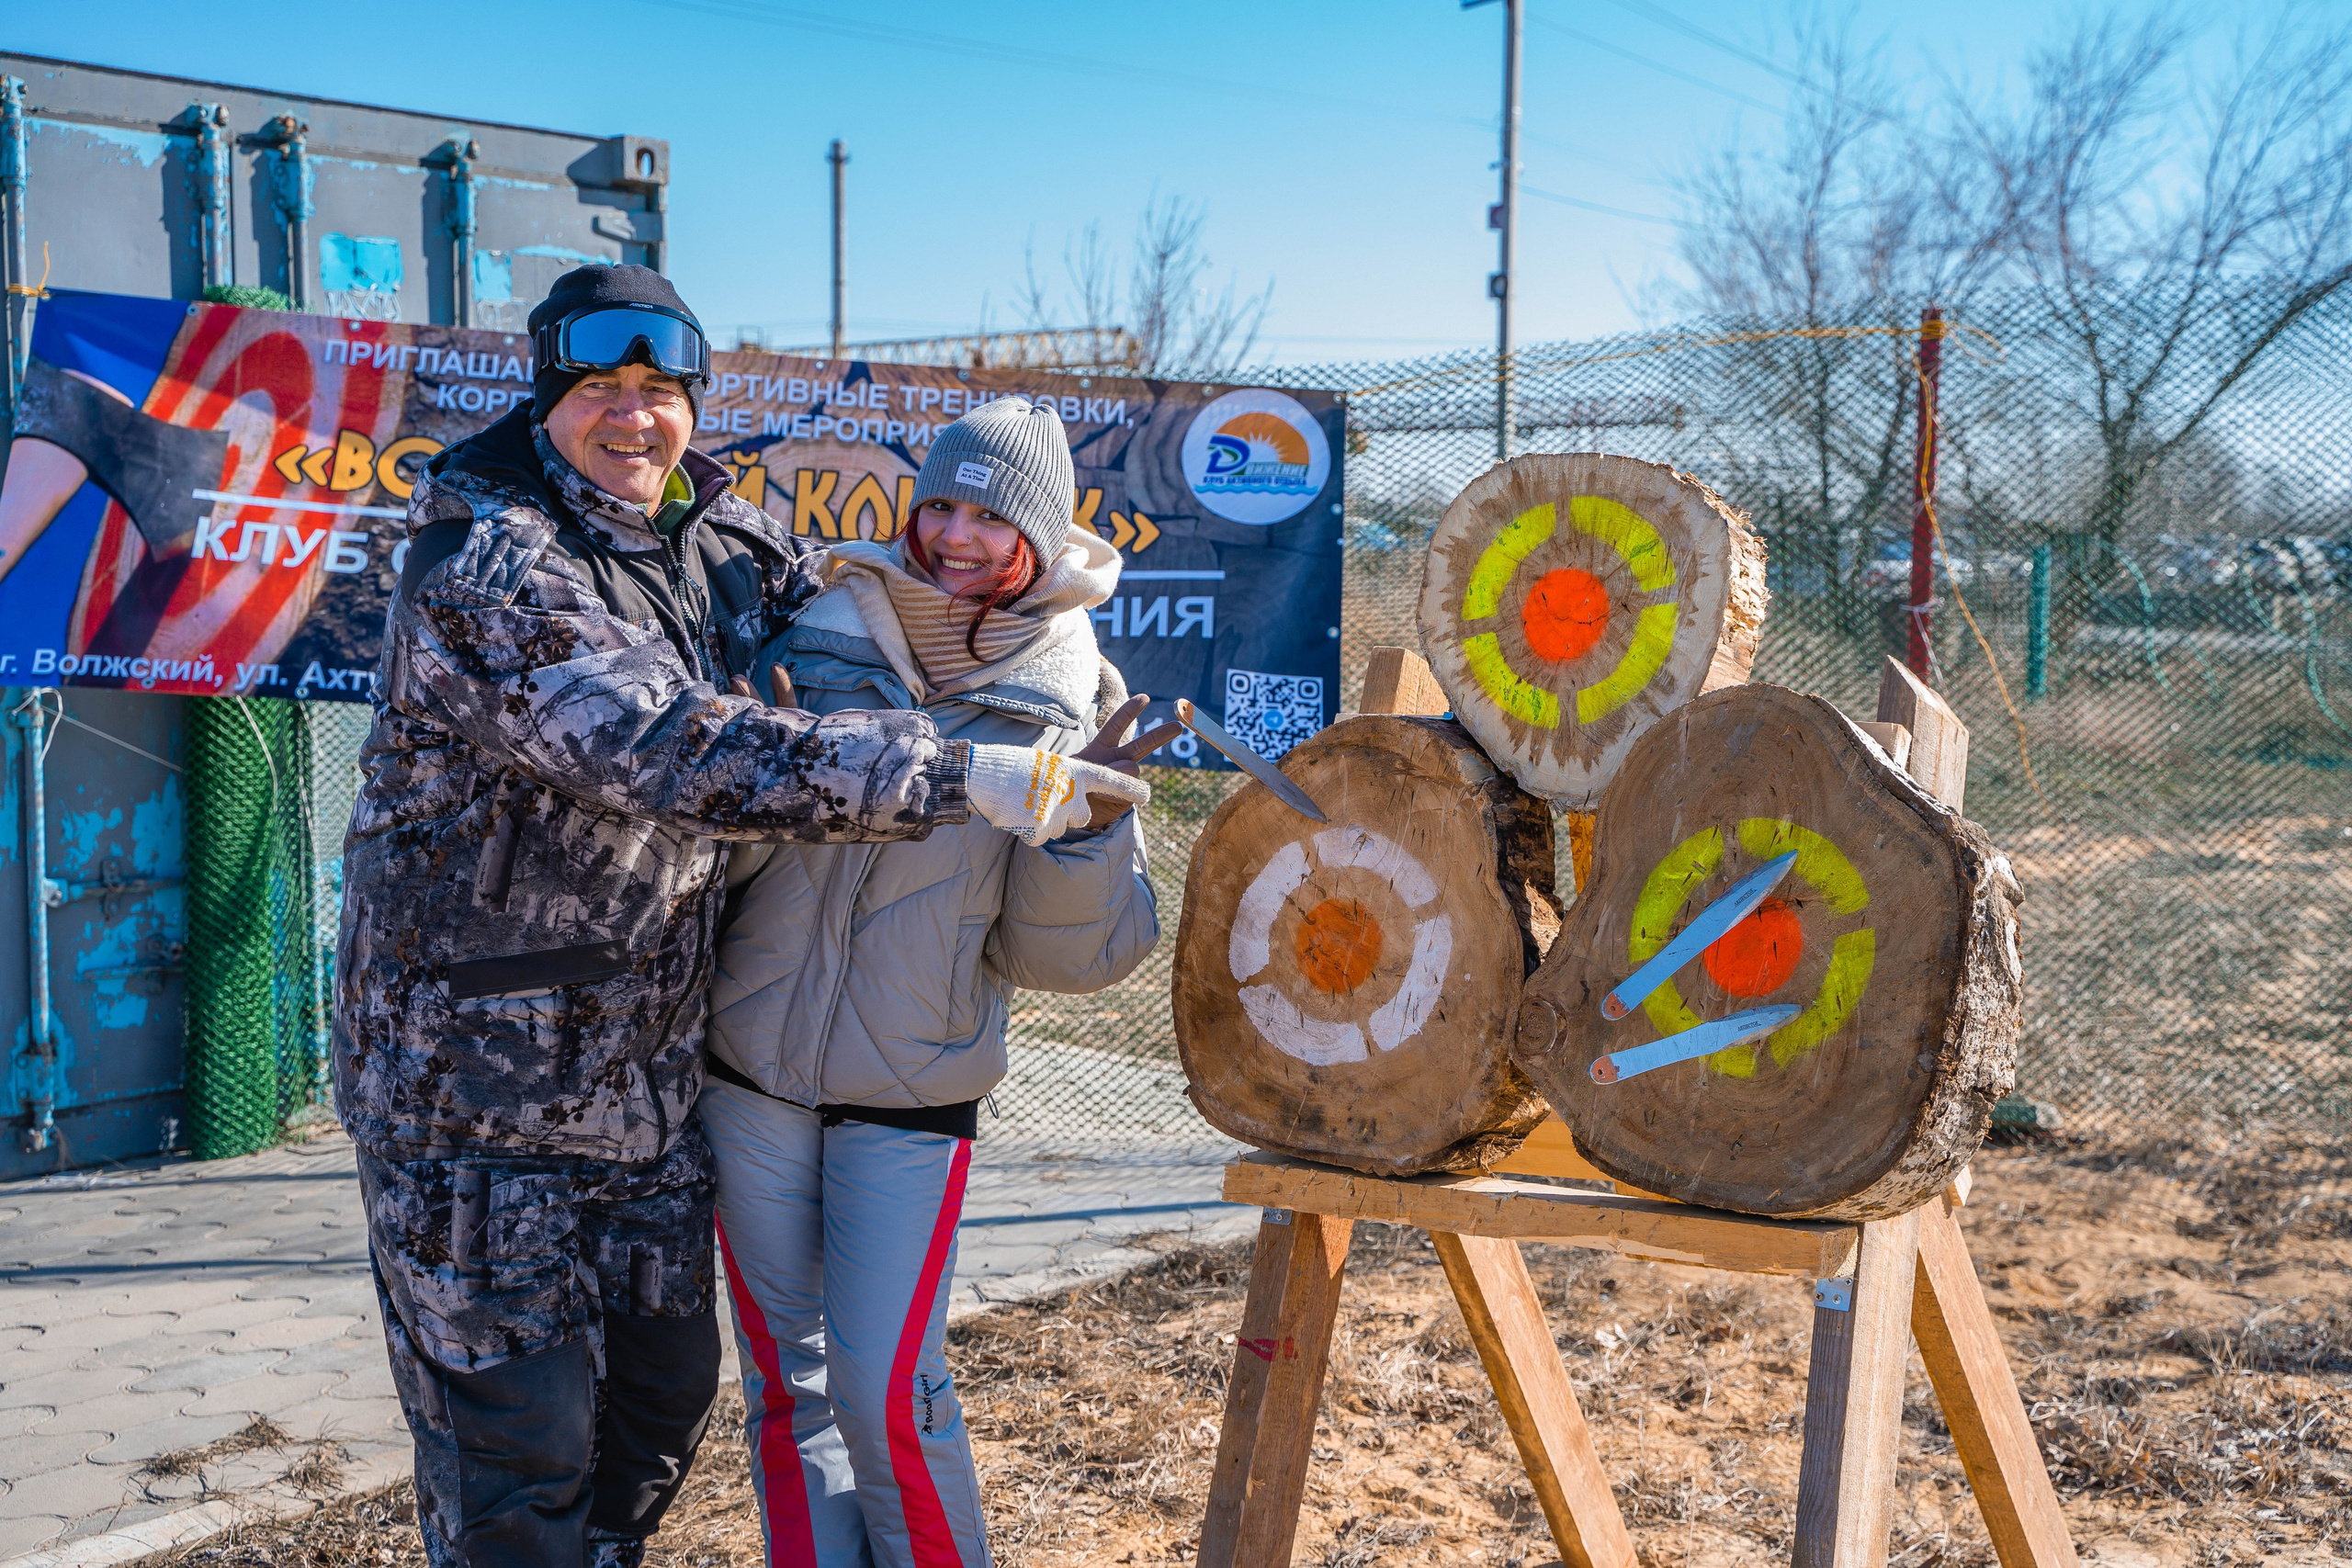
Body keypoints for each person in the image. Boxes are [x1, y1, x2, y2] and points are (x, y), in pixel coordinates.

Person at [337, 267, 1149, 1568]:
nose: (633, 417)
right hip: (476, 1101)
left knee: (660, 1410)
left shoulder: (721, 546)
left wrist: (1045, 675)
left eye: (661, 391)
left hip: (655, 1082)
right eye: (599, 388)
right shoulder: (484, 556)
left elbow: (879, 634)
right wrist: (957, 772)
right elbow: (659, 740)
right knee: (517, 1452)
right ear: (547, 397)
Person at [697, 396, 1177, 1568]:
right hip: (747, 1077)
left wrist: (1082, 829)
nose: (956, 535)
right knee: (787, 1392)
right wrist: (765, 779)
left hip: (909, 1102)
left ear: (1042, 538)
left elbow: (1072, 960)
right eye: (941, 505)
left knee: (884, 1390)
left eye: (990, 516)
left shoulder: (1071, 699)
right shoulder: (811, 638)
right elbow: (730, 876)